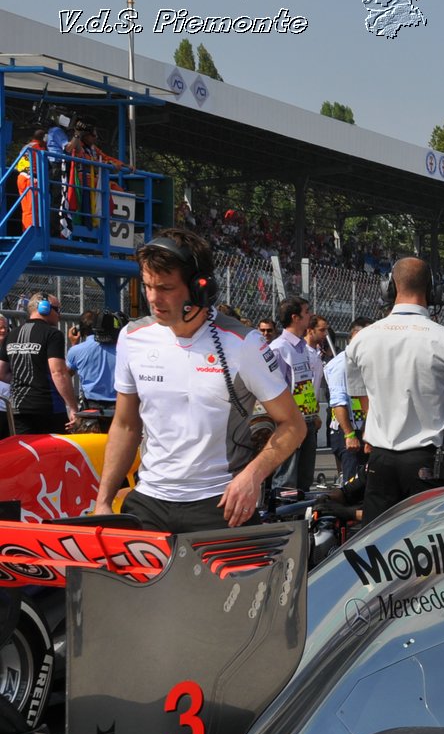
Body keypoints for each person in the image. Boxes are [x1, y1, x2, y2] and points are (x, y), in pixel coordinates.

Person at [93, 228, 302, 532]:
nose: (153, 298)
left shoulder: (243, 343)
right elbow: (125, 424)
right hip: (149, 503)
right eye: (148, 286)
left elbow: (293, 425)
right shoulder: (132, 337)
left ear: (200, 287)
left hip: (219, 504)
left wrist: (252, 476)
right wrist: (103, 500)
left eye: (164, 288)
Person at [345, 257, 444, 522]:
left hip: (379, 460)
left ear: (389, 288)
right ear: (432, 290)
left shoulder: (362, 339)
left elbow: (362, 400)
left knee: (378, 545)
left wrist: (386, 426)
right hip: (429, 460)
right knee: (431, 546)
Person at [267, 297, 324, 494]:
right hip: (290, 423)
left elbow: (304, 385)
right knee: (286, 480)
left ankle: (300, 519)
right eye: (307, 311)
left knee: (304, 479)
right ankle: (284, 520)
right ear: (295, 317)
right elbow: (274, 390)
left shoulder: (301, 348)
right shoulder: (279, 348)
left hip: (307, 421)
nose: (310, 315)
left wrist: (312, 413)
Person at [7, 292, 77, 434]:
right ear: (44, 308)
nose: (59, 315)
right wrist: (73, 407)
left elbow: (2, 372)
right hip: (48, 408)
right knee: (56, 453)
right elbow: (58, 372)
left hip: (19, 408)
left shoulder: (12, 334)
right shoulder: (53, 334)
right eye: (57, 309)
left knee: (26, 453)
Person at [324, 317, 369, 486]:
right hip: (348, 433)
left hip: (362, 430)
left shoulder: (361, 361)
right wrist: (349, 435)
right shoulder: (341, 364)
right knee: (352, 484)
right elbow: (338, 402)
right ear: (356, 336)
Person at [66, 308, 119, 415]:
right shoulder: (121, 348)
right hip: (118, 404)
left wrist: (74, 345)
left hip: (91, 406)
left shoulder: (76, 350)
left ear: (80, 330)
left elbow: (67, 374)